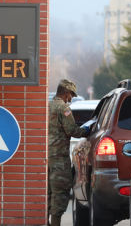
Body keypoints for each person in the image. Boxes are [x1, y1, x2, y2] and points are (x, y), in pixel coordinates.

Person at [48, 79, 90, 226]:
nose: (71, 98)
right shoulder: (64, 108)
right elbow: (72, 131)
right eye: (71, 94)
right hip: (59, 160)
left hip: (46, 158)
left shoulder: (47, 105)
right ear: (66, 93)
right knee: (59, 195)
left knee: (47, 194)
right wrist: (86, 130)